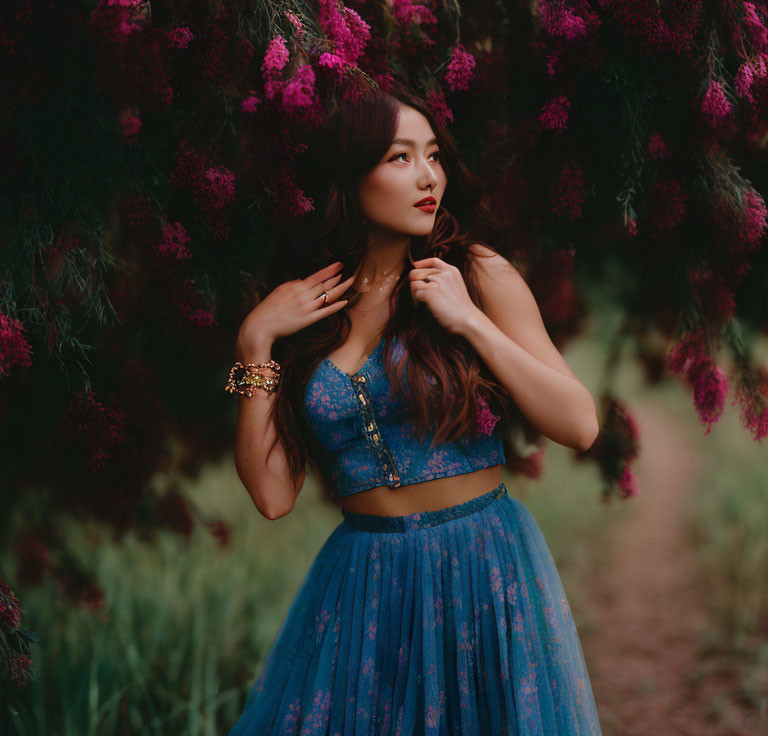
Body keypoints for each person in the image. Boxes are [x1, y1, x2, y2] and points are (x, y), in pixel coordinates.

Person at [225, 84, 603, 734]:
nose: (428, 176)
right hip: (365, 581)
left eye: (433, 155)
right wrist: (256, 340)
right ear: (350, 175)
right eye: (400, 158)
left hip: (481, 563)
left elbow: (579, 422)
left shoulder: (474, 274)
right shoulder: (308, 313)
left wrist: (471, 325)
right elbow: (272, 495)